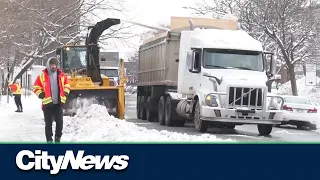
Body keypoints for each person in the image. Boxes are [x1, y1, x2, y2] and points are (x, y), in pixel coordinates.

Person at [33, 57, 70, 143]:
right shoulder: (42, 76)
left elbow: (67, 85)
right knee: (48, 124)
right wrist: (40, 94)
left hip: (58, 103)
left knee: (59, 123)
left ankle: (57, 138)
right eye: (52, 65)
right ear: (48, 65)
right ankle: (49, 140)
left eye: (55, 65)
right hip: (47, 104)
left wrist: (66, 92)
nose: (53, 66)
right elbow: (36, 87)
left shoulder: (62, 75)